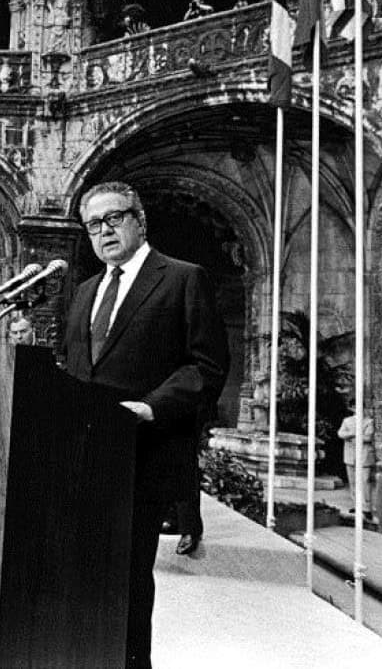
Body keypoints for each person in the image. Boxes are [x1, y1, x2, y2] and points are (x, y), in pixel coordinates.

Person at [64, 181, 228, 669]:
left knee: (129, 582)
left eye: (113, 219)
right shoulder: (85, 290)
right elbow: (73, 366)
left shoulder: (181, 278)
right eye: (93, 225)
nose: (103, 232)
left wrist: (152, 407)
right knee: (80, 577)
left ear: (139, 220)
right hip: (80, 458)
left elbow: (207, 365)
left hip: (144, 454)